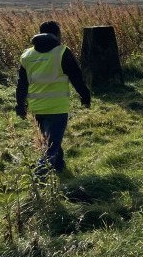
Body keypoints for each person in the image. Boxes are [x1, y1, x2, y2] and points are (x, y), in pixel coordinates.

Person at [15, 20, 91, 175]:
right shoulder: (62, 52)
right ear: (57, 35)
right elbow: (77, 78)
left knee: (51, 141)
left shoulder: (27, 55)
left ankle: (59, 168)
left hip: (36, 108)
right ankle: (40, 178)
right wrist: (85, 96)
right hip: (57, 108)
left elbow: (22, 84)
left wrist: (20, 105)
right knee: (50, 146)